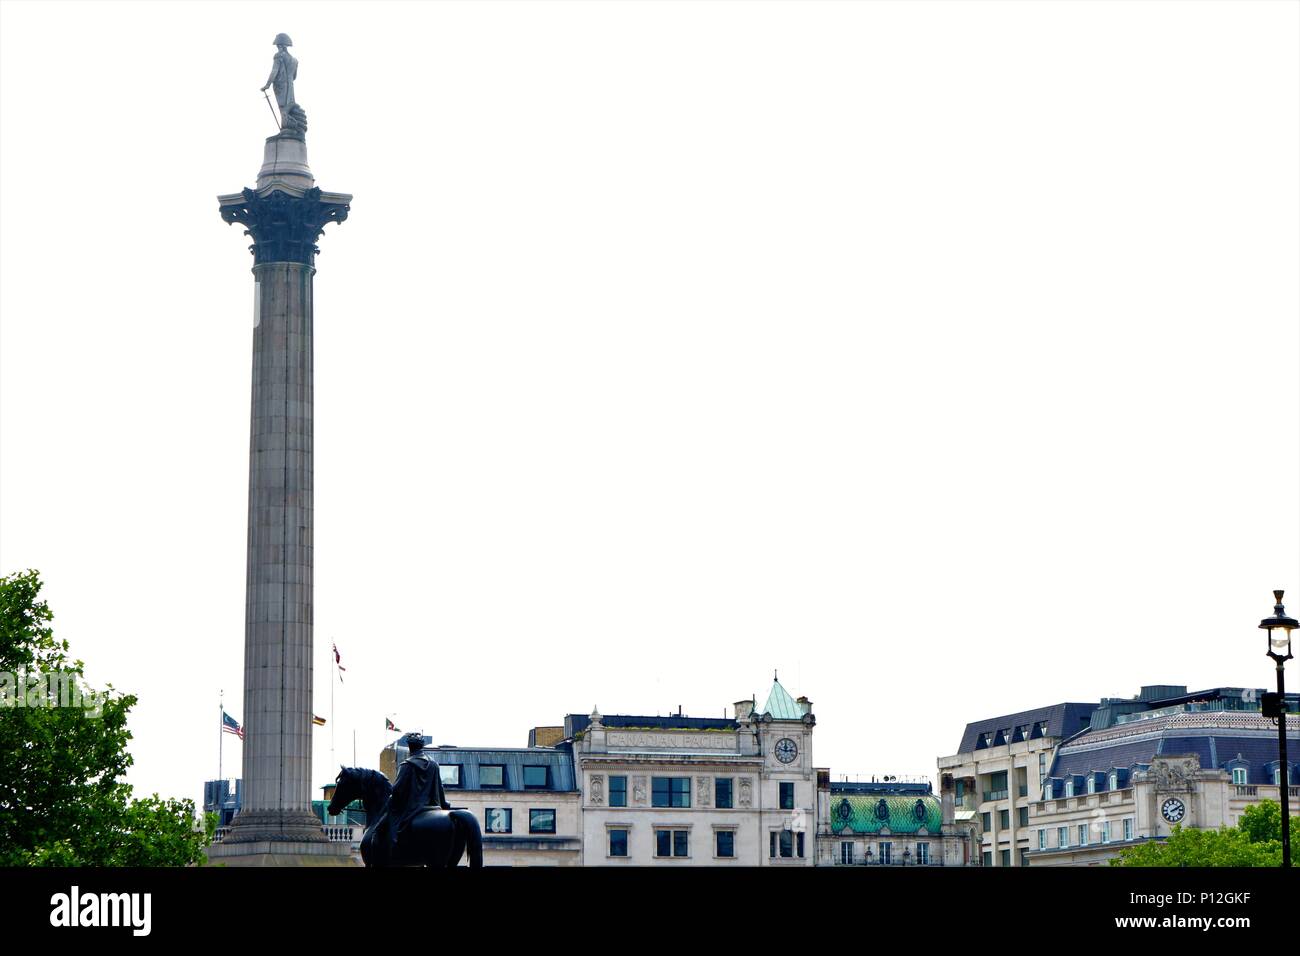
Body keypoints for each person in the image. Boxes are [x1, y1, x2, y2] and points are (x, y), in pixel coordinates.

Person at [374, 733, 452, 862]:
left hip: (411, 808)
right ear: (422, 746)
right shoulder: (433, 764)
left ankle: (388, 848)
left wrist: (389, 798)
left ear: (410, 747)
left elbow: (397, 790)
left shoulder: (407, 765)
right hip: (433, 806)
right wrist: (444, 804)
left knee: (380, 828)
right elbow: (439, 788)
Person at [261, 33, 305, 131]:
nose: (277, 47)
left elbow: (274, 71)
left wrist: (267, 85)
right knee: (288, 106)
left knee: (283, 108)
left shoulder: (278, 56)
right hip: (290, 85)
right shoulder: (294, 60)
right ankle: (288, 128)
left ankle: (285, 129)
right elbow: (294, 77)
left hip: (281, 85)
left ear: (280, 45)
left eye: (277, 45)